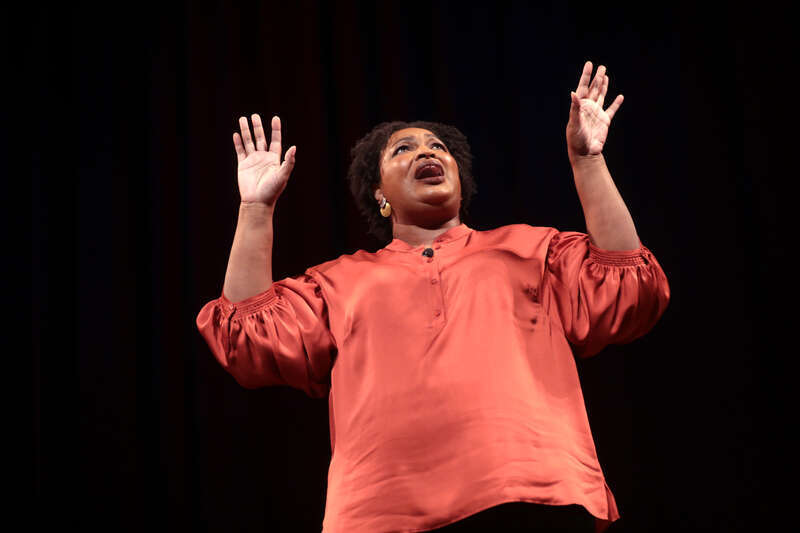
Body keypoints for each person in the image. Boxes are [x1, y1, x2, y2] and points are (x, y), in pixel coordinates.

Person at [196, 61, 670, 532]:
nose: (428, 152)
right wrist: (255, 210)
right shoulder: (338, 281)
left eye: (438, 146)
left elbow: (627, 284)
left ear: (461, 184)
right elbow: (248, 335)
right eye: (403, 148)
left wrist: (588, 163)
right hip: (381, 512)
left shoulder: (530, 249)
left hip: (532, 491)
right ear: (380, 195)